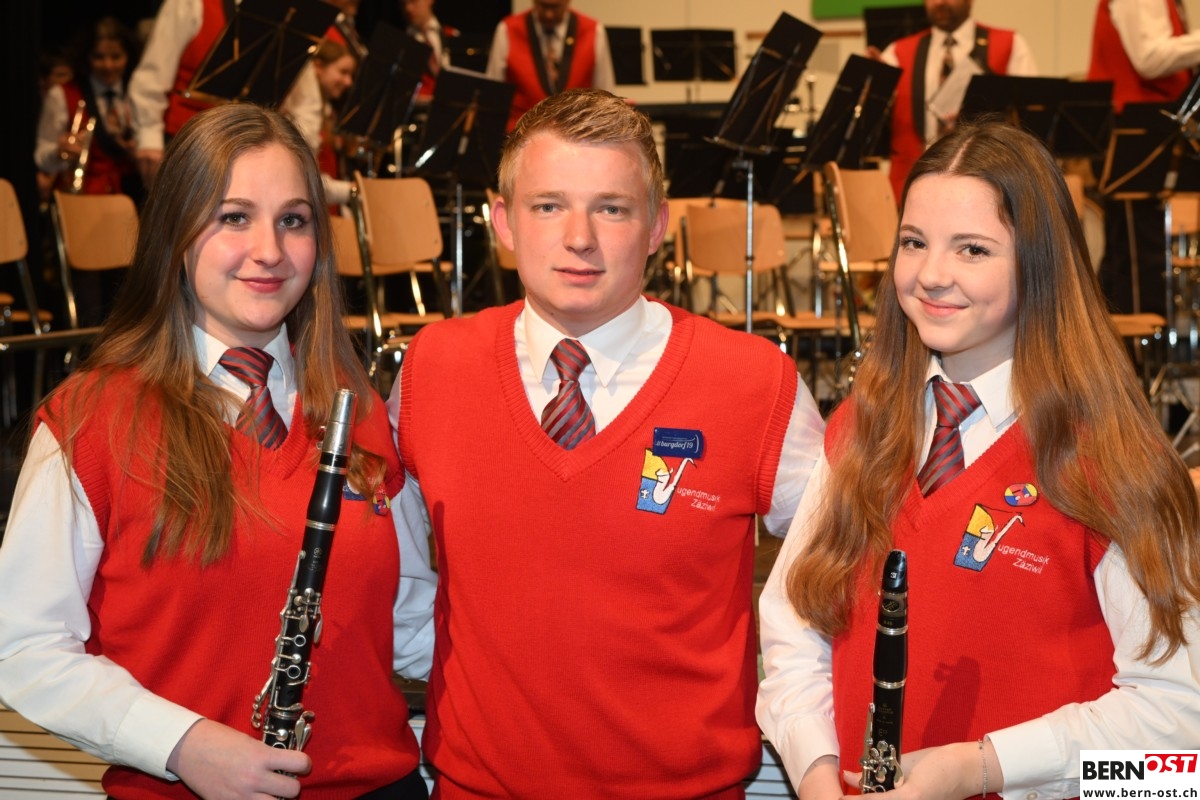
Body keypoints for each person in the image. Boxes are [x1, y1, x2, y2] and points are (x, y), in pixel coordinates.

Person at [387, 87, 825, 798]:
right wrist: (460, 665)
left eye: (612, 208)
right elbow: (388, 562)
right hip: (477, 786)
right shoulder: (434, 368)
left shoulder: (754, 382)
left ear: (657, 226)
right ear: (503, 221)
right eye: (547, 206)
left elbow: (838, 573)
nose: (579, 238)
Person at [0, 103, 436, 800]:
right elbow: (23, 647)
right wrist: (181, 743)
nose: (269, 250)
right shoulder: (90, 419)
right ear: (176, 233)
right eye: (234, 217)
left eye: (293, 220)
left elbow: (409, 616)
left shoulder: (356, 407)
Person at [757, 119, 1200, 797]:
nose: (932, 275)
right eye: (914, 242)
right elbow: (795, 629)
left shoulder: (1111, 459)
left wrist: (985, 767)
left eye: (972, 249)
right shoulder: (862, 428)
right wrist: (816, 772)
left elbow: (1178, 740)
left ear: (1039, 265)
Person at [128, 0, 322, 187]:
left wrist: (299, 154)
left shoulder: (289, 13)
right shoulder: (190, 3)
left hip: (256, 154)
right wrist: (149, 139)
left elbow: (307, 103)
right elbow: (153, 76)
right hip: (190, 146)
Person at [1088, 0, 1200, 316]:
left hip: (1153, 124)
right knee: (1140, 256)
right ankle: (1139, 344)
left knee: (1131, 252)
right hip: (1133, 124)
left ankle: (1114, 339)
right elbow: (1149, 59)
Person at [872, 0, 1037, 201]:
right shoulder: (896, 53)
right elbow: (874, 127)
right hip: (912, 190)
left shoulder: (1010, 45)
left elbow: (1030, 119)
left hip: (990, 190)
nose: (940, 2)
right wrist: (873, 84)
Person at [34, 16, 141, 198]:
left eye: (116, 57)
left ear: (128, 56)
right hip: (82, 199)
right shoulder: (61, 95)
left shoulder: (140, 93)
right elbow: (41, 157)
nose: (108, 65)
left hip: (132, 197)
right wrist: (59, 152)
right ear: (86, 57)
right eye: (99, 57)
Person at [484, 0, 615, 131]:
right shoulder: (507, 29)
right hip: (521, 133)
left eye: (555, 7)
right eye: (543, 6)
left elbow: (606, 96)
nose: (549, 14)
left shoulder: (594, 30)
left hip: (578, 134)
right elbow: (492, 96)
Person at [403, 0, 457, 100]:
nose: (408, 9)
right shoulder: (403, 43)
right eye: (403, 4)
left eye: (414, 1)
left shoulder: (453, 35)